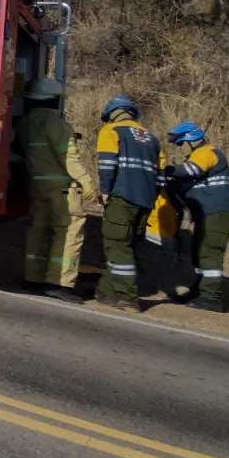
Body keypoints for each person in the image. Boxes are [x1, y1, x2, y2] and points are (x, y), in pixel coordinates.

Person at [16, 78, 96, 303]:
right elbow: (68, 157)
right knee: (69, 230)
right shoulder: (56, 124)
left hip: (36, 186)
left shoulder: (25, 123)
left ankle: (33, 277)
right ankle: (59, 283)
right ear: (55, 100)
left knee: (38, 230)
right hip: (61, 188)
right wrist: (86, 182)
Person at [94, 94, 163, 311]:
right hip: (146, 201)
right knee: (126, 246)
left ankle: (127, 296)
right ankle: (106, 292)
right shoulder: (152, 138)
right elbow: (161, 175)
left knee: (117, 245)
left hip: (122, 197)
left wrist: (105, 190)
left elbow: (107, 163)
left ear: (112, 114)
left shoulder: (111, 131)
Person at [164, 121, 229, 312]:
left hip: (217, 212)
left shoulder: (207, 152)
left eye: (180, 143)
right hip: (206, 214)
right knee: (198, 252)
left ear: (190, 139)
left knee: (209, 252)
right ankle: (199, 291)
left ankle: (212, 297)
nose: (179, 147)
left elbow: (191, 170)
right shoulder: (197, 155)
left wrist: (167, 170)